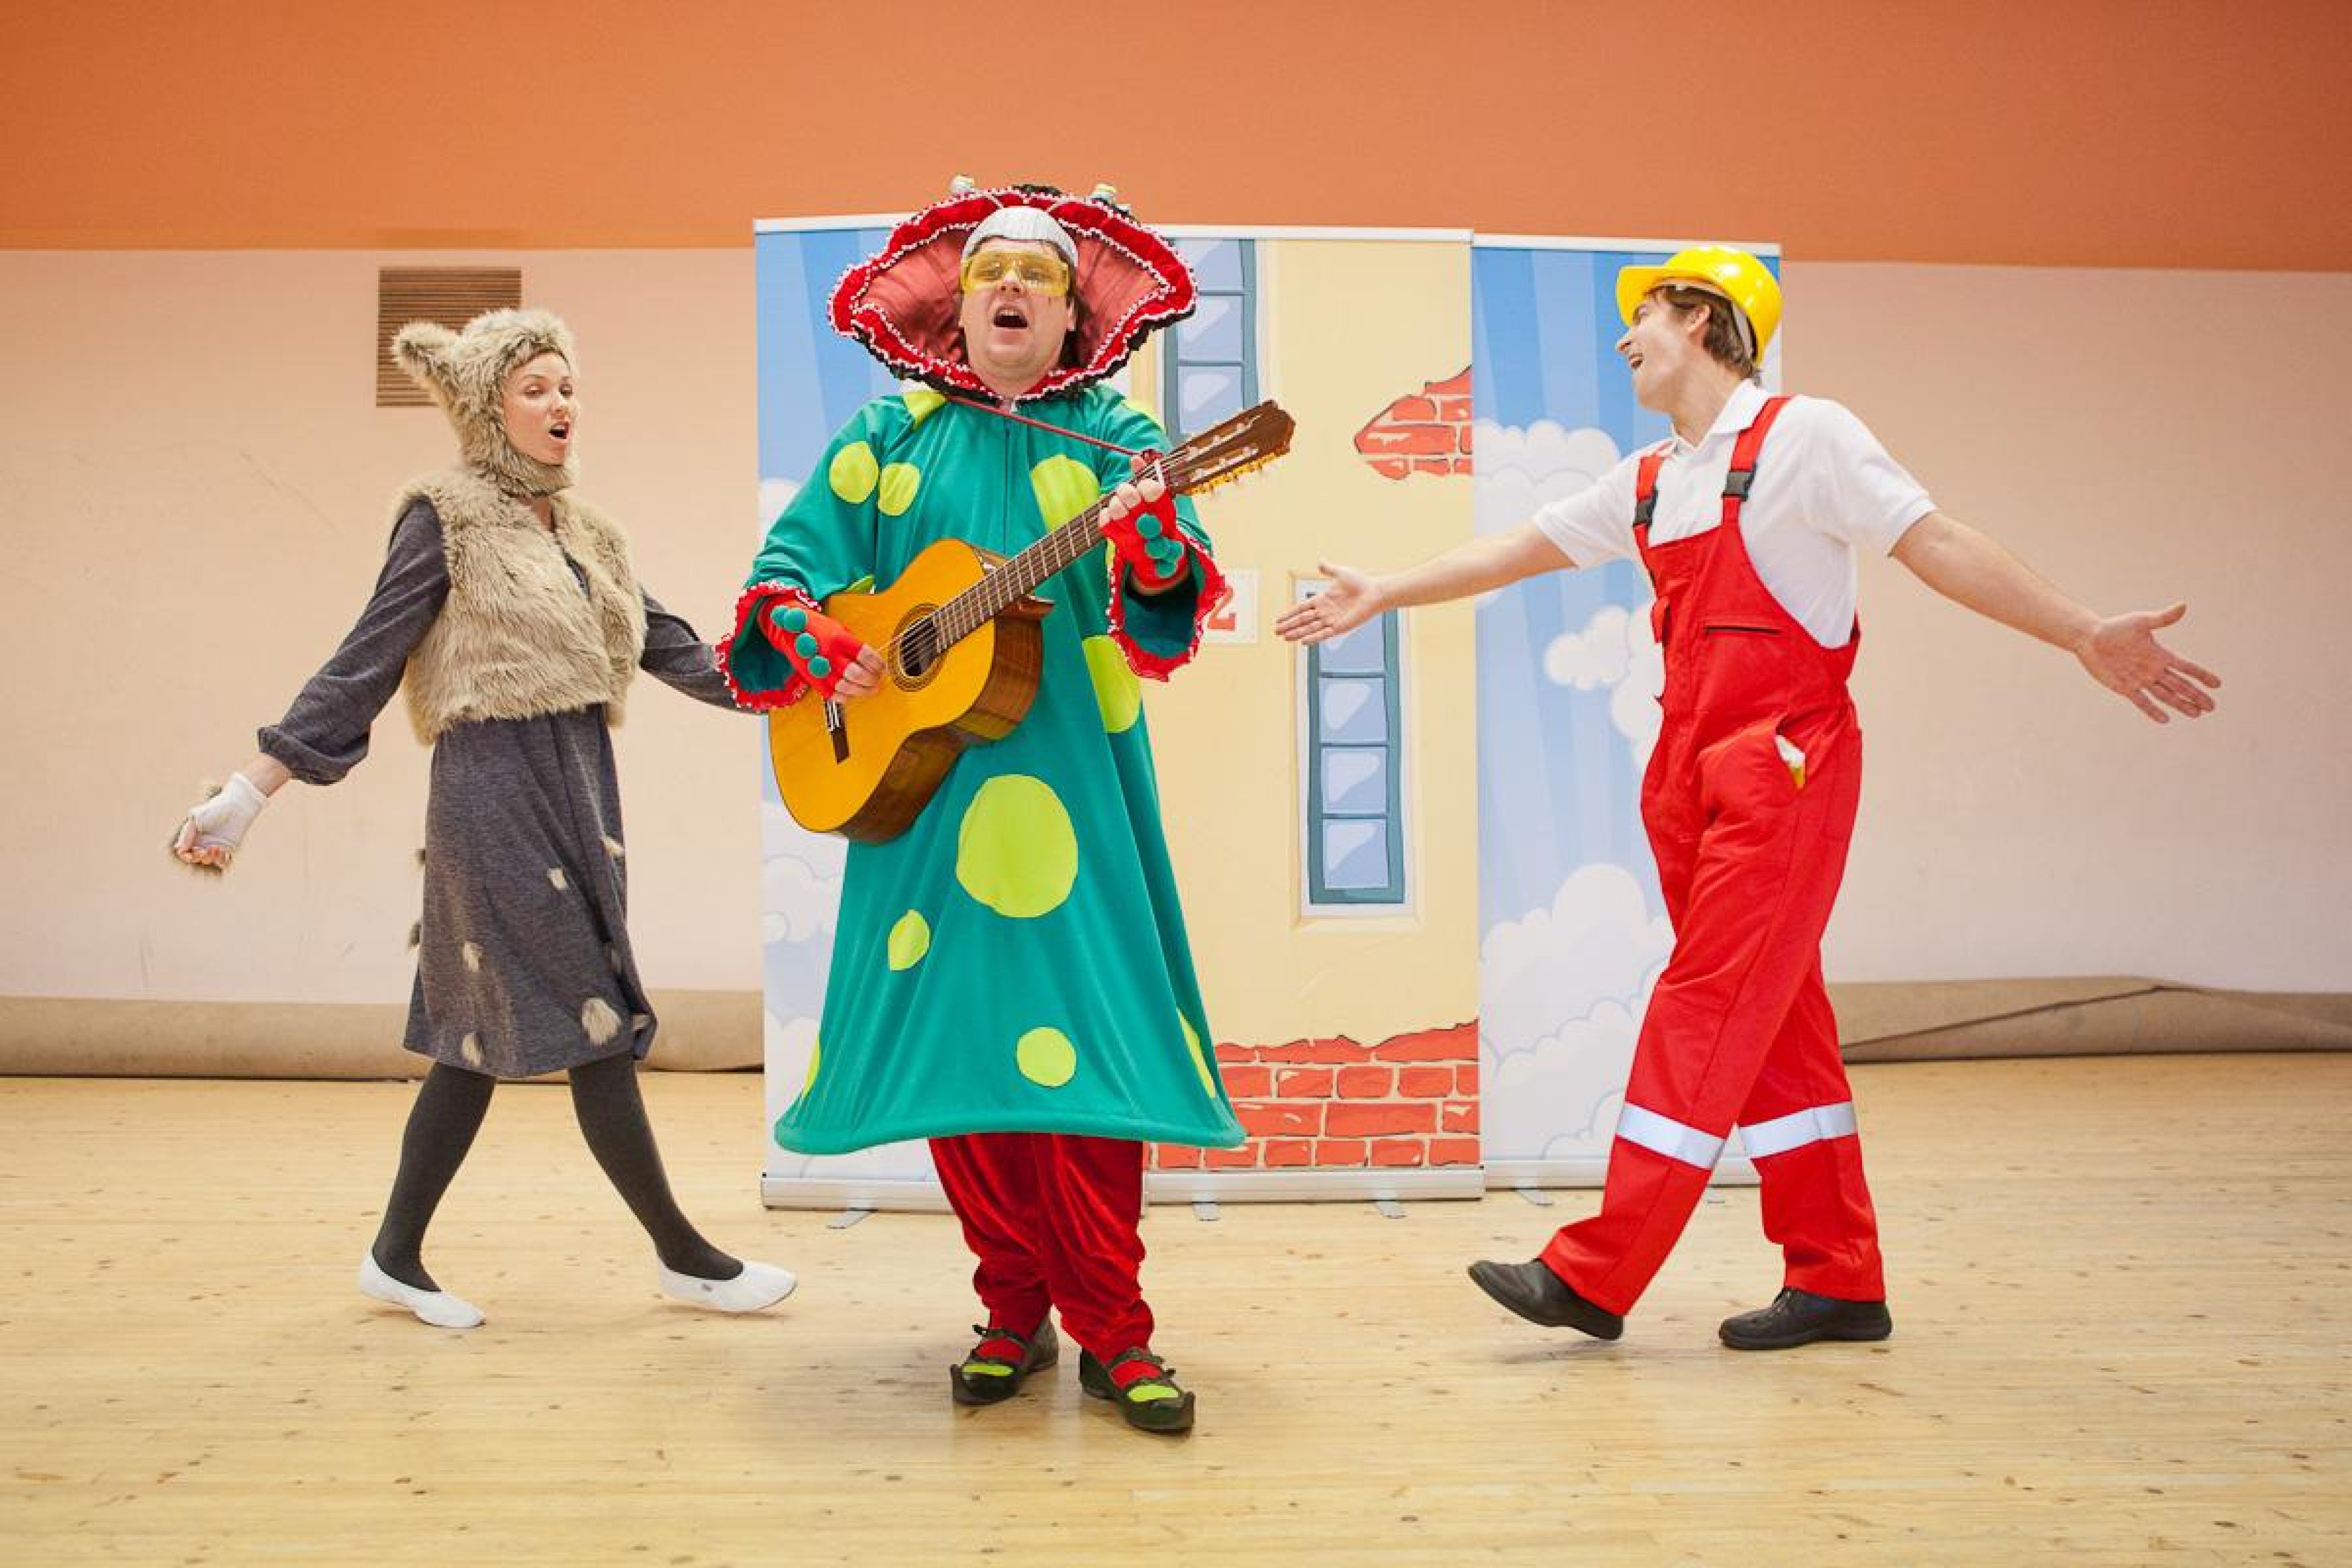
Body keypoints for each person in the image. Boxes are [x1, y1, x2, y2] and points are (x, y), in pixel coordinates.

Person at [1276, 246, 2221, 1350]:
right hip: (1686, 778)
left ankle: (1596, 1271)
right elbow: (1520, 549)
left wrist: (2082, 631)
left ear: (1702, 317)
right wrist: (1387, 592)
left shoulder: (1808, 436)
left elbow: (1936, 542)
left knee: (1705, 1006)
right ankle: (1839, 1278)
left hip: (1784, 769)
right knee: (1779, 1033)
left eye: (1642, 314)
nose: (1623, 337)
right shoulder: (1651, 479)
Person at [720, 181, 1242, 1432]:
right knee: (963, 1064)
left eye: (1041, 276)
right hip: (925, 798)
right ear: (956, 308)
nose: (1013, 287)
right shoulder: (887, 435)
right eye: (992, 271)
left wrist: (1154, 552)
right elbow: (786, 571)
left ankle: (1115, 1329)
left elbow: (1167, 594)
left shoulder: (1117, 438)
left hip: (1079, 790)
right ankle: (1012, 1310)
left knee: (1089, 1068)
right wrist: (813, 634)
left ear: (1073, 316)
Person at [172, 307, 795, 1330]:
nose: (560, 403)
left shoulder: (589, 531)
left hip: (583, 785)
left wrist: (806, 683)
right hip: (491, 788)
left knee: (470, 1038)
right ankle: (686, 1257)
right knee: (595, 1014)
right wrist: (249, 791)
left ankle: (394, 1254)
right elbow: (368, 655)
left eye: (567, 385)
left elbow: (677, 648)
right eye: (534, 388)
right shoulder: (445, 516)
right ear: (485, 407)